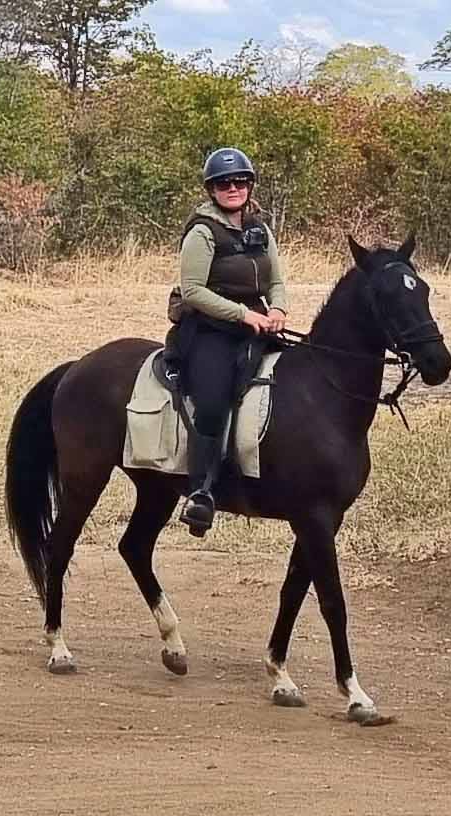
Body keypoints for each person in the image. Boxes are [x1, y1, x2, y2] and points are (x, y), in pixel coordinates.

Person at [165, 147, 285, 537]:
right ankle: (201, 492)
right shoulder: (202, 231)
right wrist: (244, 314)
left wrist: (278, 310)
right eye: (223, 183)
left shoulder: (260, 229)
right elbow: (193, 291)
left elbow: (276, 282)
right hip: (209, 330)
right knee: (214, 401)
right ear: (211, 189)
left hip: (256, 325)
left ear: (250, 186)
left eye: (239, 182)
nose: (232, 188)